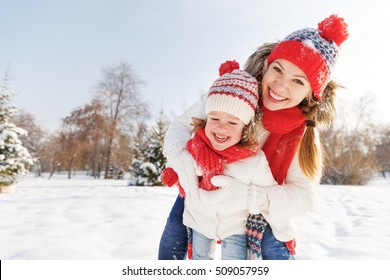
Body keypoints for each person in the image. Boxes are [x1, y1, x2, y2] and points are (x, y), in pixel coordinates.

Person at [158, 14, 349, 260]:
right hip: (207, 181)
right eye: (277, 69)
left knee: (273, 245)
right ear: (266, 65)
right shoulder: (234, 93)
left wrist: (253, 197)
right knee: (176, 226)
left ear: (312, 94)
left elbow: (303, 196)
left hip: (257, 202)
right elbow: (181, 125)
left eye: (298, 81)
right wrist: (183, 161)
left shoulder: (300, 133)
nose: (280, 86)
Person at [161, 60, 277, 260]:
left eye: (232, 122)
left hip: (234, 227)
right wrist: (179, 163)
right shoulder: (196, 148)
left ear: (245, 127)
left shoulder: (253, 160)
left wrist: (253, 198)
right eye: (214, 119)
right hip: (200, 223)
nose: (222, 127)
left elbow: (269, 191)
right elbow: (179, 137)